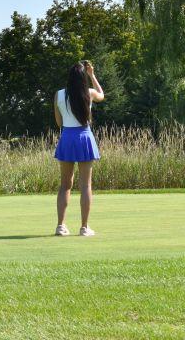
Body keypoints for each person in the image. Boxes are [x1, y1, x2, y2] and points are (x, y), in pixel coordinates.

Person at [53, 59, 104, 236]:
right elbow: (101, 94)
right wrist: (92, 75)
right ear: (83, 78)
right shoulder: (88, 93)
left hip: (67, 137)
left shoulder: (59, 95)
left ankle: (60, 226)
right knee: (85, 186)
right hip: (84, 137)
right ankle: (84, 227)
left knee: (65, 185)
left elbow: (59, 122)